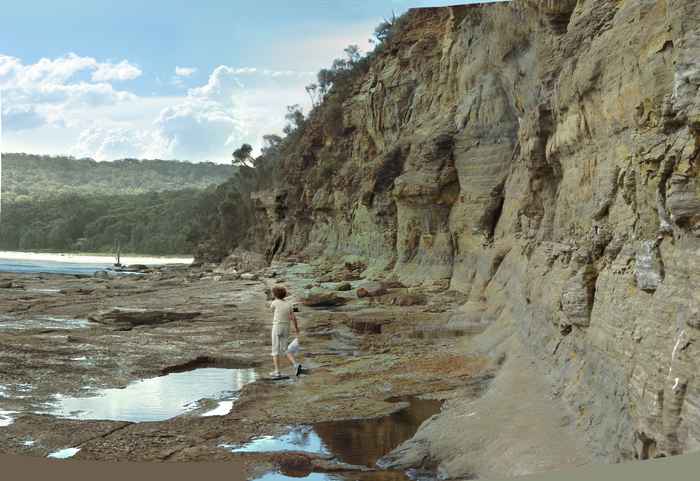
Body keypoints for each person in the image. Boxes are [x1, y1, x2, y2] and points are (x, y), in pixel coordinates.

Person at [269, 285, 302, 378]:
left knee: (275, 349)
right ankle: (296, 365)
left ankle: (277, 372)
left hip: (277, 327)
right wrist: (296, 329)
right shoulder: (289, 304)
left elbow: (272, 310)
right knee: (284, 349)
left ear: (275, 295)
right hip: (286, 327)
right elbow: (293, 318)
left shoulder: (274, 302)